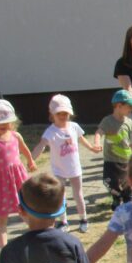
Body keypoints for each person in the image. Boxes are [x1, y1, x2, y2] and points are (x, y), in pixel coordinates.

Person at [32, 94, 100, 233]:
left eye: (66, 113)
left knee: (78, 194)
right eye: (59, 114)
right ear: (52, 114)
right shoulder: (50, 131)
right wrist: (31, 159)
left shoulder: (74, 126)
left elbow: (82, 139)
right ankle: (63, 221)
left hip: (75, 168)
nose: (63, 116)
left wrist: (92, 148)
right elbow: (41, 145)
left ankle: (83, 219)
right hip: (59, 170)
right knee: (60, 195)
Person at [0, 99, 36, 249]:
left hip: (18, 179)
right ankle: (4, 249)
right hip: (1, 182)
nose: (3, 125)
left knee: (26, 211)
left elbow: (24, 149)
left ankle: (37, 239)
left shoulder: (16, 136)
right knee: (1, 218)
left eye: (6, 122)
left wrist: (30, 160)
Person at [95, 89, 132, 208]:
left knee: (127, 183)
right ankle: (116, 196)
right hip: (111, 161)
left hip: (126, 160)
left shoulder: (129, 122)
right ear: (119, 106)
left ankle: (127, 199)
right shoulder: (108, 121)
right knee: (109, 182)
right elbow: (99, 132)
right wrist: (97, 143)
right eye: (129, 106)